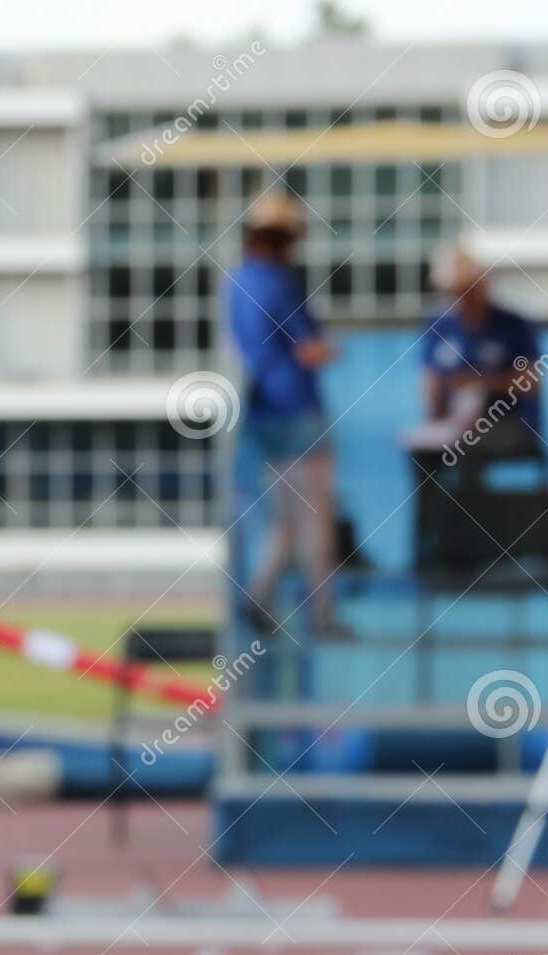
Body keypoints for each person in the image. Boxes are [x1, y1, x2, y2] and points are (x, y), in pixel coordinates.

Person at [223, 189, 340, 635]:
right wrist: (331, 350)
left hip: (262, 413)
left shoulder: (235, 282)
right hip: (297, 411)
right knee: (315, 518)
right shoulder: (280, 282)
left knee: (285, 520)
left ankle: (261, 593)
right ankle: (322, 612)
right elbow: (309, 349)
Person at [420, 244, 544, 450]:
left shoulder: (514, 324)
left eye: (467, 289)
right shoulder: (440, 325)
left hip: (510, 422)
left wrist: (483, 384)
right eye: (456, 291)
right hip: (454, 421)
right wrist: (437, 409)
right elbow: (431, 379)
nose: (462, 298)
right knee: (423, 447)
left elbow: (530, 381)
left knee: (467, 444)